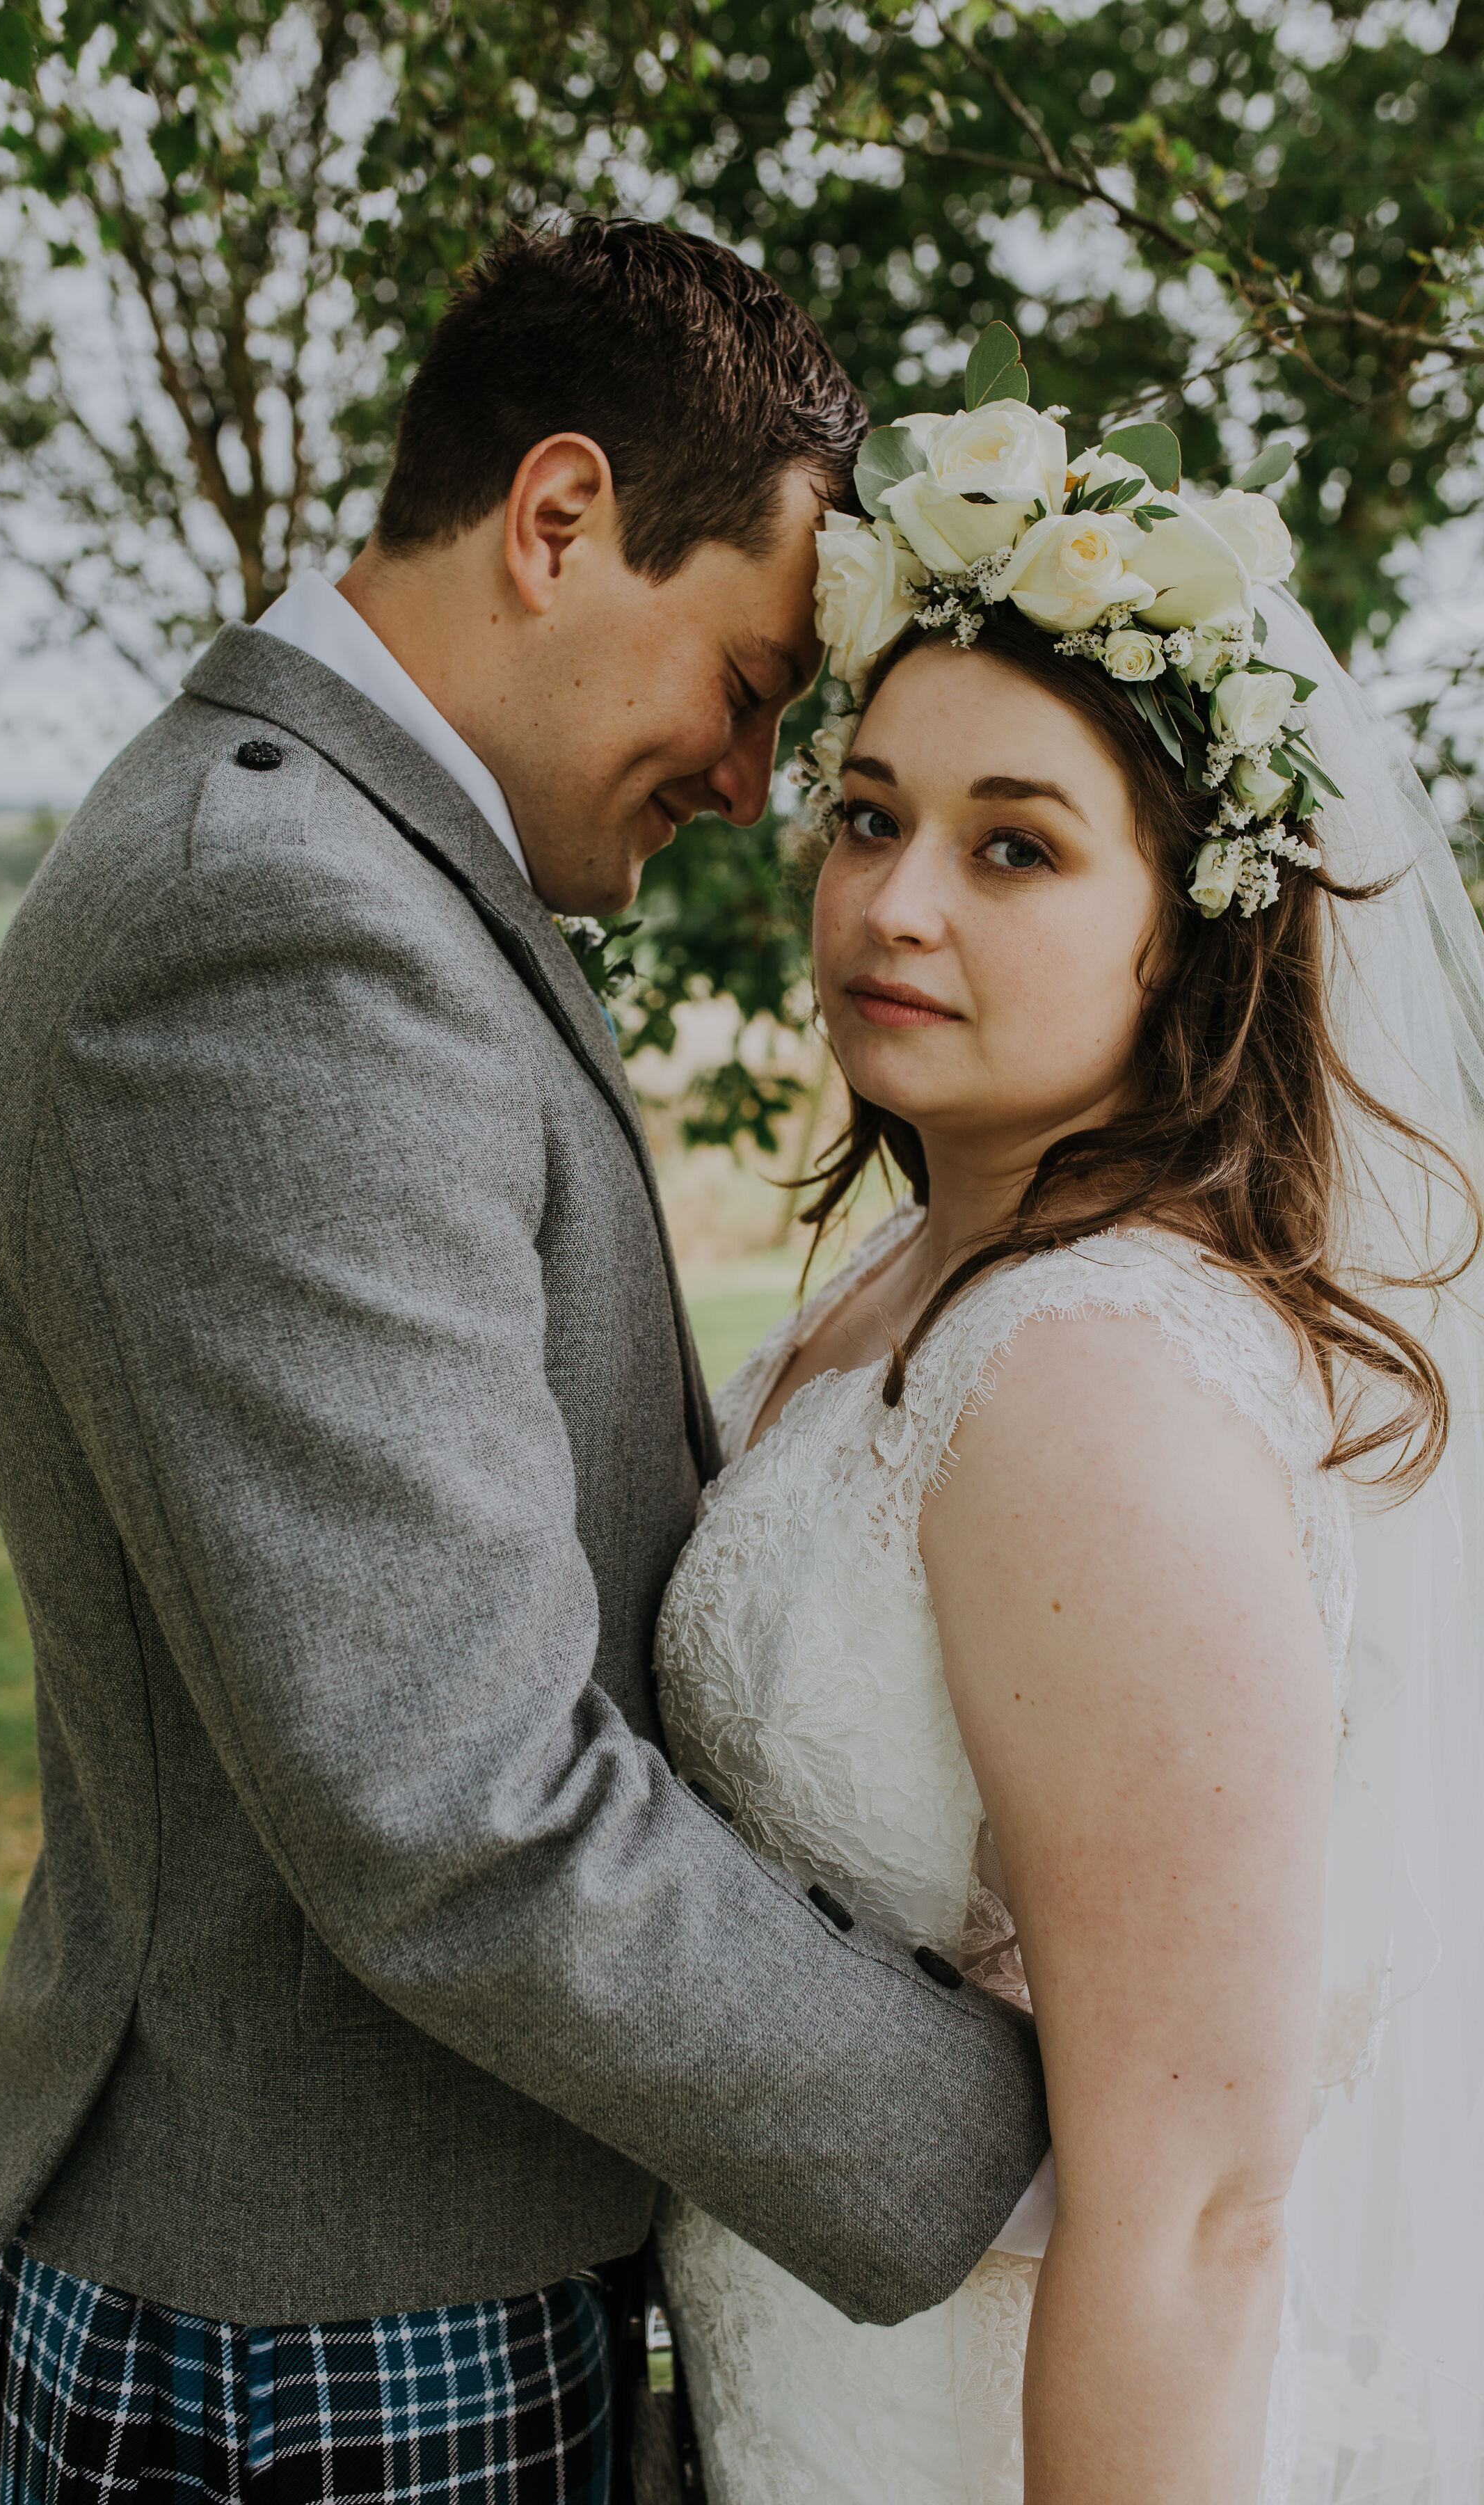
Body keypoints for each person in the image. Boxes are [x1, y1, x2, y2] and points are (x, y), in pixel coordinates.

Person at [0, 225, 1051, 2505]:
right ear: (557, 519)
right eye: (742, 682)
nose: (746, 788)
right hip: (317, 2348)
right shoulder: (279, 924)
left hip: (412, 2273)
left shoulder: (389, 876)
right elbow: (457, 1800)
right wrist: (1011, 2135)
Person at [653, 381, 1484, 2500]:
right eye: (865, 814)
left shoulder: (1096, 1385)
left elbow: (1203, 2211)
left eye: (1013, 844)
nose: (896, 900)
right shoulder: (912, 1285)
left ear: (1190, 919)